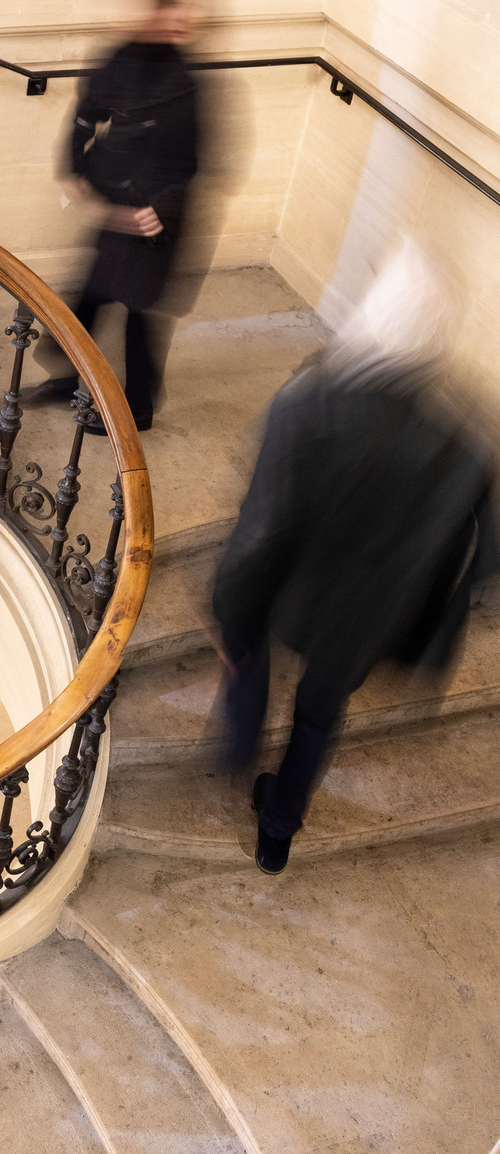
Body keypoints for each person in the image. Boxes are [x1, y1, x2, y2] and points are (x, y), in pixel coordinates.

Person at [212, 241, 498, 874]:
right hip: (368, 616)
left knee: (250, 655)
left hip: (290, 592)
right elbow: (489, 554)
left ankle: (237, 745)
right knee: (319, 716)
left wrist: (231, 612)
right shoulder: (464, 437)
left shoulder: (309, 405)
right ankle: (278, 831)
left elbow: (261, 532)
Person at [29, 0, 201, 433]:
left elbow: (188, 163)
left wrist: (146, 213)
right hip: (121, 211)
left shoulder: (183, 81)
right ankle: (72, 377)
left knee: (139, 313)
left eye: (188, 11)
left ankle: (137, 410)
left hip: (156, 221)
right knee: (90, 298)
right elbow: (86, 116)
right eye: (174, 11)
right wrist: (75, 168)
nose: (186, 20)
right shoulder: (122, 58)